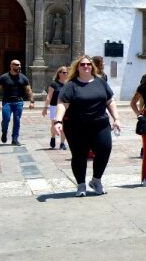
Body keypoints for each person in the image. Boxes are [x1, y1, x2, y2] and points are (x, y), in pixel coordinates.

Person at [52, 56, 122, 196]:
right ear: (77, 67)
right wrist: (58, 121)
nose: (86, 66)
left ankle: (96, 180)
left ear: (92, 66)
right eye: (82, 64)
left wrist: (116, 118)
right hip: (76, 126)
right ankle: (81, 184)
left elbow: (110, 101)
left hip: (100, 124)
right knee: (79, 155)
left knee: (104, 150)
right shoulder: (71, 85)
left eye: (88, 64)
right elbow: (62, 103)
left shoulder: (100, 82)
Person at [0, 59, 34, 146]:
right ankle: (4, 132)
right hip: (7, 102)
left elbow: (28, 90)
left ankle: (15, 139)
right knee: (6, 119)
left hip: (19, 102)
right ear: (11, 66)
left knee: (17, 120)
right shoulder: (3, 77)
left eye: (19, 65)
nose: (19, 66)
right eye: (16, 64)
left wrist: (32, 101)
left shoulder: (23, 78)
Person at [41, 66, 69, 150]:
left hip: (65, 107)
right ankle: (53, 137)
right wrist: (45, 108)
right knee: (54, 124)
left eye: (67, 73)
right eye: (64, 72)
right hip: (54, 107)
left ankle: (62, 143)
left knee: (64, 125)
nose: (66, 74)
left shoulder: (68, 84)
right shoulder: (54, 84)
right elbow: (49, 96)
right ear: (59, 73)